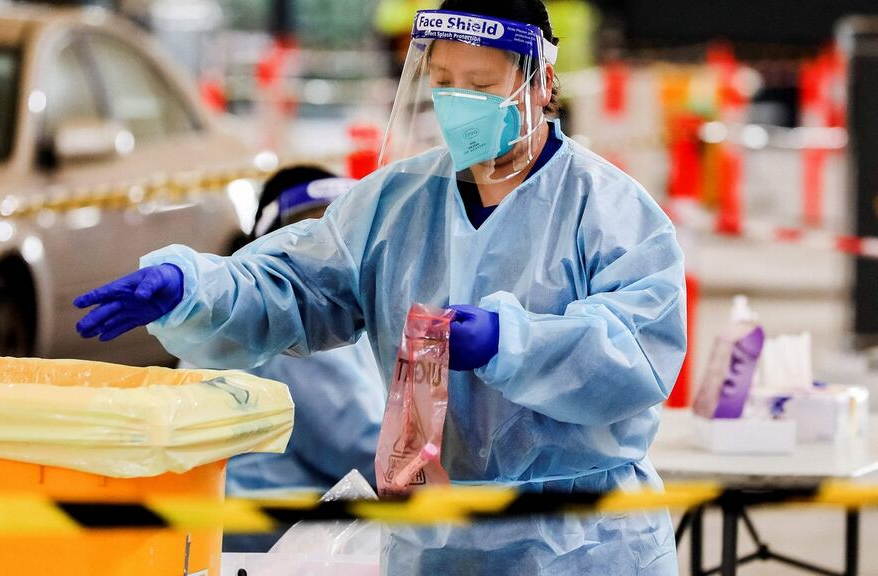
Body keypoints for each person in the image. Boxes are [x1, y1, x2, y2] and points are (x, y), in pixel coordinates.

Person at [75, 1, 686, 573]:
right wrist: (196, 286)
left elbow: (639, 348)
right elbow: (296, 283)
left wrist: (511, 342)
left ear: (541, 86)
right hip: (435, 546)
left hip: (579, 546)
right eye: (445, 82)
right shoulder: (396, 202)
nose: (458, 103)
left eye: (480, 86)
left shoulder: (607, 209)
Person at [178, 167, 386, 553]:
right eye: (309, 235)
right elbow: (364, 448)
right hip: (257, 545)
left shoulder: (252, 313)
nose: (331, 258)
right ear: (272, 246)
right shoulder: (287, 324)